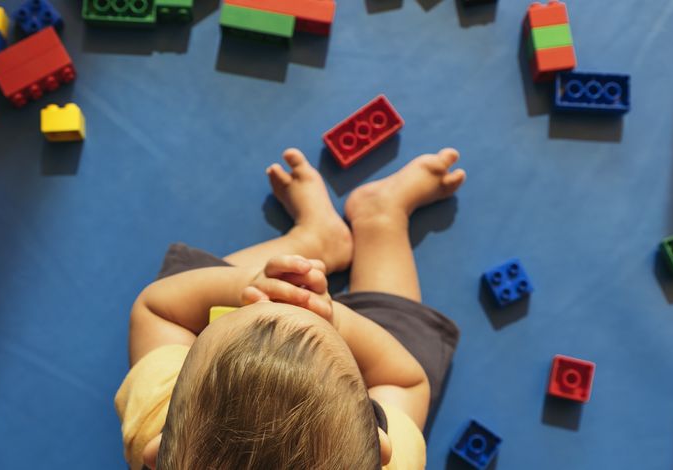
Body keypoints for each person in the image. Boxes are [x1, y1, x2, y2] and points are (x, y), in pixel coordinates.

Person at [116, 148, 466, 469]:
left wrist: (247, 285)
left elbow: (158, 309)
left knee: (186, 284)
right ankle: (380, 219)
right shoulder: (396, 463)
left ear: (156, 453)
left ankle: (313, 240)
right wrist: (335, 322)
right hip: (374, 357)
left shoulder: (157, 418)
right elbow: (403, 380)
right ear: (380, 447)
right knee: (406, 338)